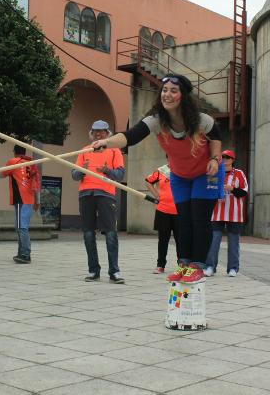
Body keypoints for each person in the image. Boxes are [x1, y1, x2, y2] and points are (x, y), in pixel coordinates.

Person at [92, 74, 224, 284]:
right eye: (164, 90)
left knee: (199, 218)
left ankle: (198, 266)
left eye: (173, 90)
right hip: (180, 175)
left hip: (205, 172)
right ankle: (185, 264)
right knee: (184, 220)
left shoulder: (200, 120)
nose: (167, 94)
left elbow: (216, 137)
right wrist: (106, 142)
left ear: (183, 96)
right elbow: (130, 136)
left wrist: (216, 159)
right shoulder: (156, 120)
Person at [72, 120, 125, 284]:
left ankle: (114, 272)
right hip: (86, 194)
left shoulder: (114, 150)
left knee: (110, 233)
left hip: (106, 194)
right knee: (88, 234)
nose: (98, 134)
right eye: (95, 131)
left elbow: (120, 175)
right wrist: (82, 170)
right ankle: (93, 271)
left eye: (101, 132)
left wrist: (107, 170)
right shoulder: (84, 150)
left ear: (107, 134)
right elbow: (74, 175)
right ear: (91, 133)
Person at [204, 149, 248, 277]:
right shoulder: (215, 172)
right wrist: (216, 189)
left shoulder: (239, 173)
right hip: (217, 212)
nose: (225, 159)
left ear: (233, 160)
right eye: (222, 157)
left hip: (234, 214)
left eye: (228, 157)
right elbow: (208, 190)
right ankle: (210, 266)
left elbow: (244, 192)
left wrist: (232, 189)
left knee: (233, 241)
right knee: (214, 240)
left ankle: (233, 268)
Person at [0, 145, 41, 264]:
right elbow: (37, 182)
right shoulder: (31, 163)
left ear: (14, 152)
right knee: (22, 227)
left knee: (21, 227)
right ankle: (21, 252)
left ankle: (25, 254)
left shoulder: (13, 162)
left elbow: (1, 175)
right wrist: (37, 200)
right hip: (29, 199)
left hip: (20, 199)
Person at [145, 162, 180, 274]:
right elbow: (148, 181)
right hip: (163, 210)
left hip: (180, 210)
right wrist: (157, 195)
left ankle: (182, 265)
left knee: (181, 240)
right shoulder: (161, 171)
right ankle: (160, 265)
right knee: (163, 240)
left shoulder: (183, 170)